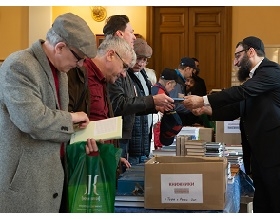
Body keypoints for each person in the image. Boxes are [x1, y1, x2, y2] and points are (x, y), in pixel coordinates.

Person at [0, 13, 98, 213]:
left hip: (54, 175)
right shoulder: (19, 65)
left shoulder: (60, 70)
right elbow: (32, 120)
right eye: (79, 58)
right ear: (60, 47)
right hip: (26, 183)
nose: (80, 65)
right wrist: (71, 119)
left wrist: (80, 135)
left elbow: (54, 122)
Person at [183, 36, 280, 213]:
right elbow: (237, 109)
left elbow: (241, 92)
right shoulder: (256, 78)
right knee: (263, 202)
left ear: (251, 52)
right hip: (260, 152)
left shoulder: (272, 71)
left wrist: (202, 99)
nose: (235, 63)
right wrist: (206, 110)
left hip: (276, 150)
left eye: (237, 56)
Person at [105, 15, 175, 169]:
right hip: (120, 139)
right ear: (120, 34)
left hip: (137, 139)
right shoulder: (115, 71)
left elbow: (137, 102)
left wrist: (154, 106)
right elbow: (118, 104)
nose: (134, 37)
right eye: (132, 32)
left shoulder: (141, 74)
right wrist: (152, 102)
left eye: (145, 60)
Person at [67, 34, 137, 169]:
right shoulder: (79, 74)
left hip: (99, 160)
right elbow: (66, 120)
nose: (123, 74)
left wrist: (111, 155)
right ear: (110, 55)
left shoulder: (103, 81)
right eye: (124, 66)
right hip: (81, 163)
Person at [168, 57, 199, 126]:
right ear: (187, 69)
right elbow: (173, 103)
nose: (191, 75)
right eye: (191, 71)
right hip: (172, 121)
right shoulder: (176, 81)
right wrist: (191, 108)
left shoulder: (176, 79)